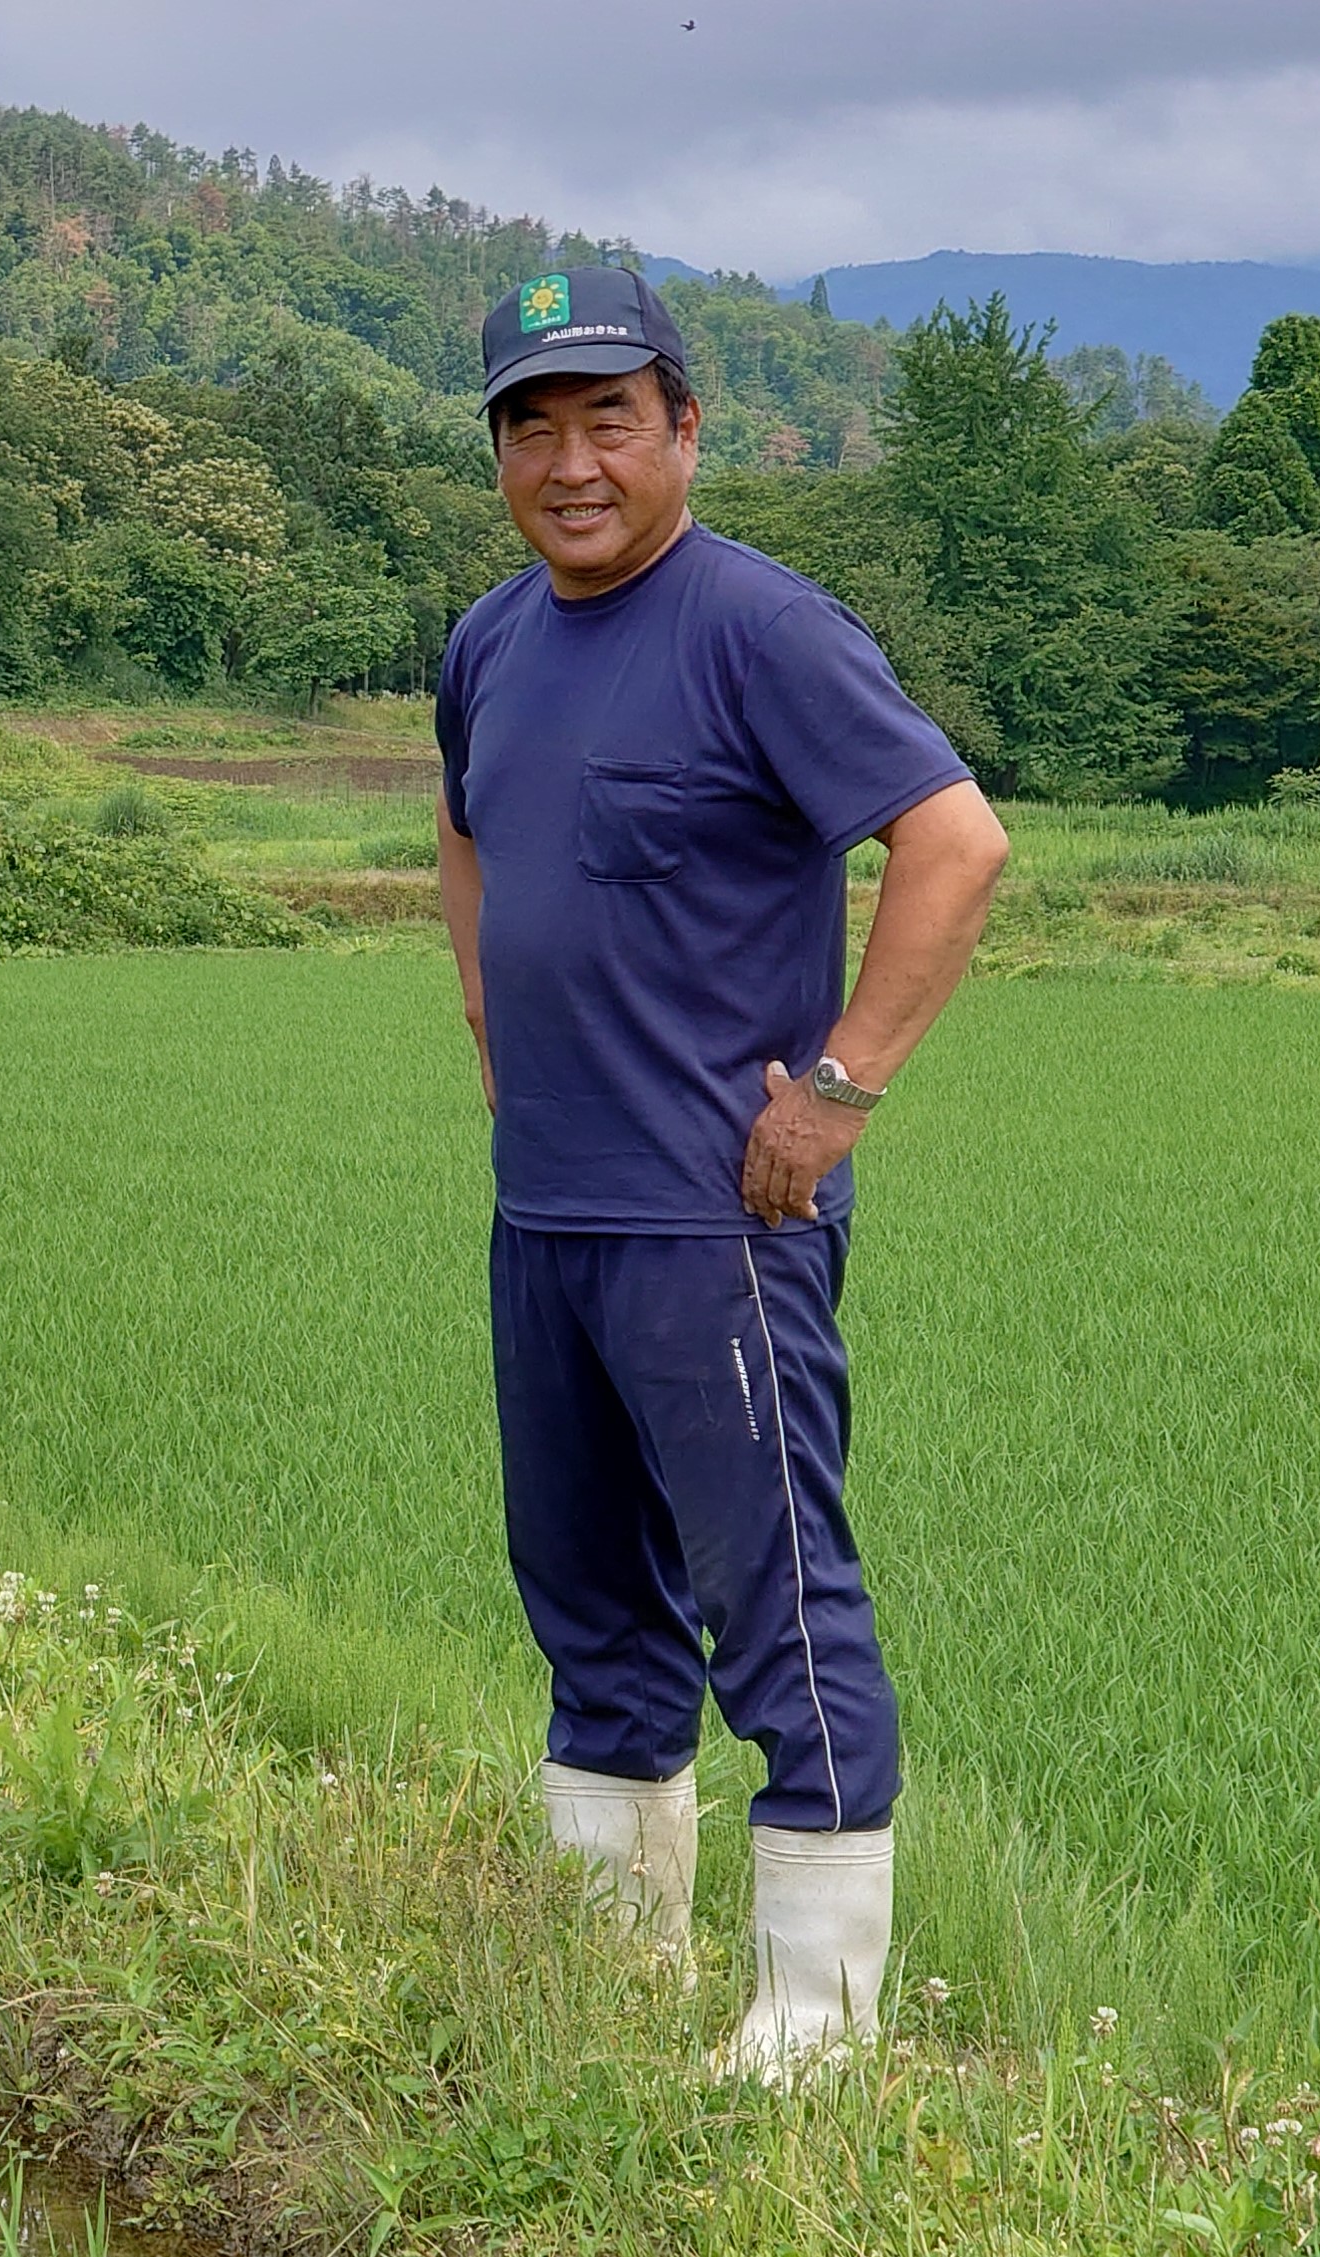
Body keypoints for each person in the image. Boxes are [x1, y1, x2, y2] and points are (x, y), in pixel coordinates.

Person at [434, 265, 1010, 2079]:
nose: (571, 459)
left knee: (776, 1603)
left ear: (685, 428)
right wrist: (492, 1045)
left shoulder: (760, 626)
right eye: (534, 422)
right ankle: (603, 1976)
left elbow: (953, 839)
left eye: (611, 415)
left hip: (716, 1222)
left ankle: (812, 2026)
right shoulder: (490, 641)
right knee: (587, 1602)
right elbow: (462, 835)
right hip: (549, 1209)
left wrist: (836, 1090)